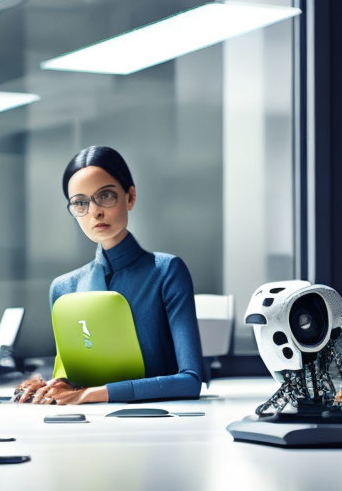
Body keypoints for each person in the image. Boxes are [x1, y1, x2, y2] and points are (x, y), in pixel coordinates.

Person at [16, 146, 204, 405]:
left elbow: (191, 381)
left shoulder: (167, 271)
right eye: (80, 202)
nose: (95, 212)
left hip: (159, 424)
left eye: (105, 195)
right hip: (87, 425)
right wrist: (49, 385)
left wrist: (88, 394)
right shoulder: (64, 288)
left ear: (130, 197)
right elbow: (72, 378)